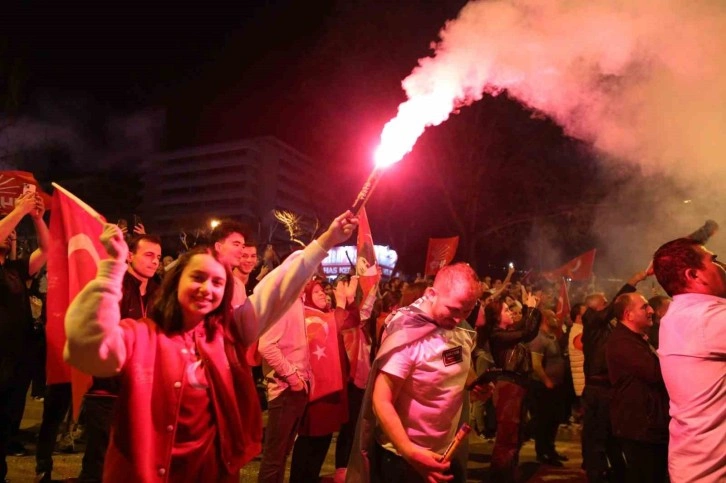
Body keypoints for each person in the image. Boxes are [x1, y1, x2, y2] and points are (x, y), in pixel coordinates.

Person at [63, 212, 357, 482]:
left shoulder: (229, 334)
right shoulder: (140, 335)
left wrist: (327, 239)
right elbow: (85, 349)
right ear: (176, 282)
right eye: (198, 277)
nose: (208, 288)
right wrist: (111, 269)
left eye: (218, 282)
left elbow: (277, 287)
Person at [347, 263, 490, 483]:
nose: (459, 319)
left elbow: (459, 362)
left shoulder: (460, 331)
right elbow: (381, 400)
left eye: (467, 310)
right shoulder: (407, 335)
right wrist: (409, 451)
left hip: (447, 452)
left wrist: (473, 383)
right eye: (453, 309)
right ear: (432, 294)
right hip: (402, 459)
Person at [70, 234, 162, 483]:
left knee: (131, 458)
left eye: (159, 257)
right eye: (149, 255)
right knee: (99, 457)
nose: (155, 262)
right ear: (130, 255)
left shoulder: (159, 293)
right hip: (106, 387)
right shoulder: (115, 287)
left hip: (141, 389)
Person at [652, 238, 726, 483]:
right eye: (713, 260)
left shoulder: (680, 315)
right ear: (694, 274)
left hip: (694, 467)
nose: (722, 266)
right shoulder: (708, 319)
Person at [580, 267, 651, 483]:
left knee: (611, 434)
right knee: (596, 437)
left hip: (609, 389)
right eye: (604, 303)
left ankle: (617, 472)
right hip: (597, 390)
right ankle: (597, 475)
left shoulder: (607, 329)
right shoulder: (592, 323)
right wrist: (635, 280)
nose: (608, 306)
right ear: (596, 308)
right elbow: (612, 309)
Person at [0, 191, 49, 482]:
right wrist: (19, 209)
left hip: (14, 364)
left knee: (5, 427)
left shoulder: (16, 269)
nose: (10, 235)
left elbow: (47, 248)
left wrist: (37, 218)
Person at [606, 292, 669, 483]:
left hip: (646, 423)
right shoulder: (623, 343)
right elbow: (656, 373)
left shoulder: (636, 339)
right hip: (640, 426)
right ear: (628, 315)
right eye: (644, 307)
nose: (651, 310)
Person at [487, 290, 541, 482]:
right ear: (496, 317)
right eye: (506, 310)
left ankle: (509, 474)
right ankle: (500, 477)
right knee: (507, 437)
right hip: (509, 387)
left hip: (517, 386)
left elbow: (529, 328)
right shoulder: (497, 335)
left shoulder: (508, 332)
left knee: (516, 435)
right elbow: (527, 331)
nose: (510, 312)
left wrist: (529, 307)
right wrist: (531, 310)